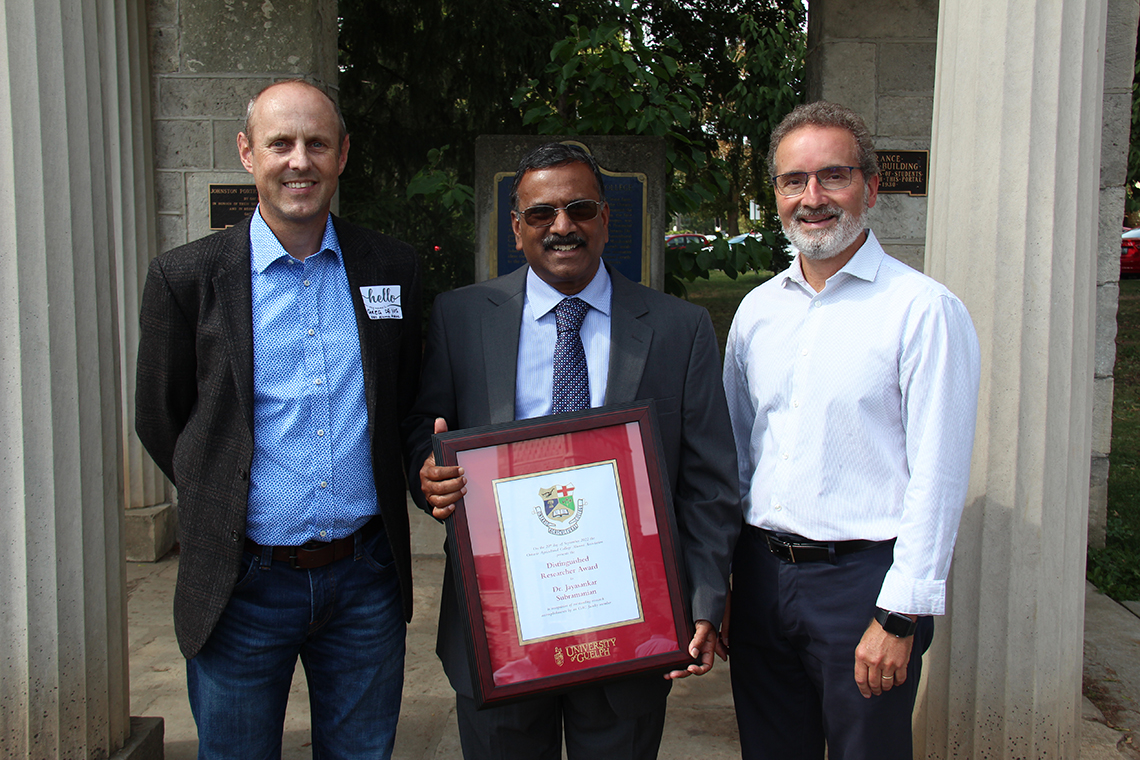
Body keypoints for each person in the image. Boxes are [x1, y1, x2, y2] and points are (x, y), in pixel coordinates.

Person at [407, 142, 740, 760]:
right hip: (499, 631)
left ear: (606, 218)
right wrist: (426, 476)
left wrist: (703, 600)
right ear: (516, 227)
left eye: (579, 208)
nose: (562, 226)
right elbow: (423, 433)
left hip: (631, 631)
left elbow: (710, 482)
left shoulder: (679, 329)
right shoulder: (459, 318)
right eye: (541, 214)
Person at [135, 79, 421, 759]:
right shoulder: (186, 277)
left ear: (343, 154)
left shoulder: (392, 267)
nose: (300, 160)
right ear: (247, 153)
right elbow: (162, 417)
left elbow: (407, 400)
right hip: (241, 586)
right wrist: (219, 493)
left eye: (317, 143)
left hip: (365, 582)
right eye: (280, 143)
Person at [721, 101, 981, 760]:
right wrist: (723, 581)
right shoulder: (756, 313)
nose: (812, 198)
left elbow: (939, 476)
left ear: (870, 186)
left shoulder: (923, 311)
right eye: (792, 180)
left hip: (862, 585)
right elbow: (736, 456)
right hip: (759, 577)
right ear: (776, 194)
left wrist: (899, 615)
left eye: (832, 176)